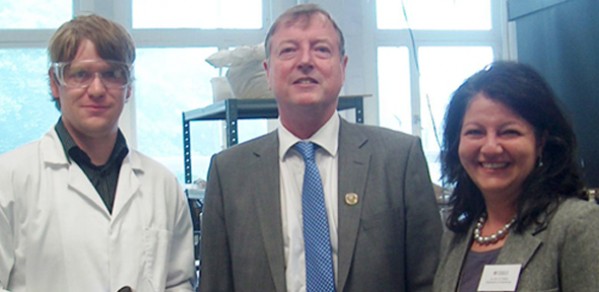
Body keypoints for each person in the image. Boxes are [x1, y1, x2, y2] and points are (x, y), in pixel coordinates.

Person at [200, 3, 442, 292]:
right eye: (288, 50)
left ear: (343, 67)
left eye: (321, 49)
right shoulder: (229, 172)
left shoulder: (398, 160)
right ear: (267, 71)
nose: (305, 61)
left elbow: (429, 281)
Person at [0, 14, 196, 291]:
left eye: (112, 74)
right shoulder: (9, 178)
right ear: (55, 83)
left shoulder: (161, 183)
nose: (97, 89)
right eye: (81, 74)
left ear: (128, 87)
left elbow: (178, 282)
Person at [433, 61, 599, 291]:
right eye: (475, 132)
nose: (491, 147)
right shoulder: (455, 236)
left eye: (509, 132)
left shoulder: (577, 225)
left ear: (541, 142)